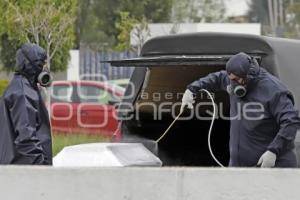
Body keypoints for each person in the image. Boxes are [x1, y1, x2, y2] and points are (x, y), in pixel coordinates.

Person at [181, 52, 300, 168]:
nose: (232, 84)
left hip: (270, 165)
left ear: (248, 77)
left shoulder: (274, 91)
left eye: (236, 80)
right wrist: (192, 89)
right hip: (239, 168)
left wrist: (273, 151)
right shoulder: (233, 79)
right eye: (230, 79)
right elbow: (216, 78)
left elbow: (291, 122)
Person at [0, 43, 53, 165]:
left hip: (14, 169)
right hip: (25, 172)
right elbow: (26, 139)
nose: (44, 68)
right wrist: (43, 169)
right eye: (42, 64)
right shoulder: (24, 94)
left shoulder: (21, 87)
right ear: (32, 65)